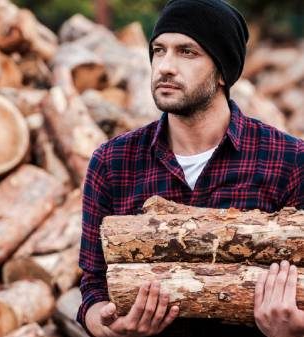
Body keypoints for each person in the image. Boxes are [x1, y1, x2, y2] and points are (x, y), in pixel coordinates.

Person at [77, 0, 304, 336]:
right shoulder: (113, 162)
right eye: (159, 50)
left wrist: (294, 329)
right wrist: (110, 328)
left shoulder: (288, 160)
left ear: (223, 72)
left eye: (187, 52)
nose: (165, 66)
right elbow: (94, 285)